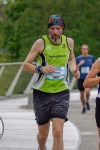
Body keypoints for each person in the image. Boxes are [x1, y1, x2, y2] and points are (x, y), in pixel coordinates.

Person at [23, 15, 80, 150]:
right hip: (42, 93)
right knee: (43, 135)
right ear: (48, 29)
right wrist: (41, 68)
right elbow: (25, 65)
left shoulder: (69, 42)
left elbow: (71, 58)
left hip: (61, 92)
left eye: (58, 28)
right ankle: (41, 147)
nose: (55, 32)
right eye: (52, 28)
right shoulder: (40, 43)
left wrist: (73, 70)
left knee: (58, 132)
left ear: (62, 28)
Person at [76, 44, 95, 114]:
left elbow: (95, 66)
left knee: (87, 92)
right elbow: (75, 68)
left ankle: (87, 101)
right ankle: (84, 106)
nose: (85, 50)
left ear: (88, 50)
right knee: (81, 95)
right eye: (83, 49)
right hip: (81, 78)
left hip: (88, 78)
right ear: (81, 50)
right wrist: (79, 64)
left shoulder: (91, 58)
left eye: (86, 49)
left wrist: (93, 66)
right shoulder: (78, 59)